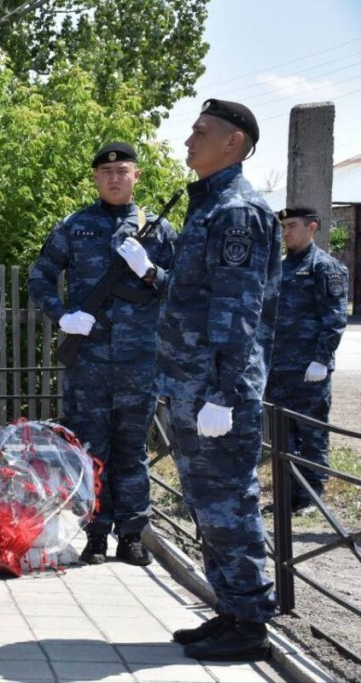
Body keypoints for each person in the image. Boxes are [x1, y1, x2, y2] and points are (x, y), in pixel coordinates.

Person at [157, 99, 280, 661]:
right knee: (209, 505)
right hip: (194, 386)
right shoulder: (209, 205)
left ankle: (250, 625)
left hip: (216, 393)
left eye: (200, 132)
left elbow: (237, 310)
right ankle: (230, 610)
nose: (188, 140)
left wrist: (225, 395)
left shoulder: (237, 211)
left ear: (233, 143)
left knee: (231, 505)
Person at [29, 141, 176, 567]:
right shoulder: (75, 226)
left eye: (122, 171)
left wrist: (150, 271)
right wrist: (62, 316)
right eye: (106, 172)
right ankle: (95, 533)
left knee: (132, 451)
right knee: (91, 450)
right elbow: (39, 278)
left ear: (136, 176)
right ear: (95, 177)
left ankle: (131, 535)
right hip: (89, 361)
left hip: (139, 362)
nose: (114, 178)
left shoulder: (159, 230)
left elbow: (185, 289)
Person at [264, 206, 348, 514]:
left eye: (292, 226)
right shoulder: (281, 267)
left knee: (312, 433)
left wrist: (321, 360)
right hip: (278, 368)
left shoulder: (325, 267)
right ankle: (287, 497)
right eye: (283, 226)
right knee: (282, 437)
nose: (286, 231)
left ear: (312, 227)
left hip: (309, 370)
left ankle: (312, 496)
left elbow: (334, 319)